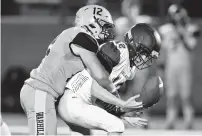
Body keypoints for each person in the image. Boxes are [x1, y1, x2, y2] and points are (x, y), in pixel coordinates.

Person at [20, 5, 141, 135]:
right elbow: (100, 76)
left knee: (82, 132)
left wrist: (118, 109)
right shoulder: (82, 37)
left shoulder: (74, 35)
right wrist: (117, 98)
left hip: (43, 93)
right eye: (104, 26)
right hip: (41, 93)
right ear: (91, 22)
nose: (106, 31)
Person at [58, 23, 162, 135]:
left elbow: (102, 98)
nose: (145, 58)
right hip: (74, 99)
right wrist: (121, 104)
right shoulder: (116, 51)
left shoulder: (130, 70)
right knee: (116, 126)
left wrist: (122, 114)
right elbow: (95, 85)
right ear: (135, 43)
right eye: (145, 53)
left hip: (81, 102)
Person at [159, 4, 199, 129]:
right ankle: (170, 119)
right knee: (171, 95)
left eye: (178, 13)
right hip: (171, 66)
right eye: (174, 14)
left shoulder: (190, 28)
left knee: (186, 95)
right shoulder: (166, 29)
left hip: (185, 65)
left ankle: (189, 119)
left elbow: (191, 46)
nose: (177, 16)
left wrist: (181, 31)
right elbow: (163, 47)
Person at [114, 0, 153, 128]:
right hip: (125, 61)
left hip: (140, 61)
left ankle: (143, 117)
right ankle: (123, 117)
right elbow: (117, 42)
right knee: (122, 90)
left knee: (140, 90)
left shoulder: (144, 21)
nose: (130, 10)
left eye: (133, 7)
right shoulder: (120, 23)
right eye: (128, 7)